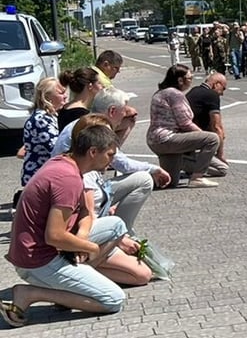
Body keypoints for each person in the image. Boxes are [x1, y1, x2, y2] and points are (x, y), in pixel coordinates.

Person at [2, 120, 150, 327]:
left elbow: (85, 212)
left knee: (117, 224)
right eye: (109, 154)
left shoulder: (65, 163)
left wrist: (80, 239)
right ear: (92, 152)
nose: (112, 160)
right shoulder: (67, 178)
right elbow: (54, 236)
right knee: (113, 299)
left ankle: (76, 278)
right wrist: (90, 247)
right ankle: (31, 293)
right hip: (38, 261)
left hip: (47, 250)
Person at [54, 91, 172, 230]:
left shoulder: (84, 122)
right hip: (80, 191)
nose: (126, 114)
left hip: (77, 185)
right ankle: (120, 230)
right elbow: (122, 164)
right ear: (112, 111)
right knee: (144, 180)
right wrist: (154, 169)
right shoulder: (97, 129)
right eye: (124, 109)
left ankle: (114, 228)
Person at [146, 64, 221, 188]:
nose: (191, 81)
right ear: (180, 80)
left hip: (155, 140)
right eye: (189, 78)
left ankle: (139, 177)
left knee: (169, 182)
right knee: (212, 139)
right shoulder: (175, 94)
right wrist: (202, 136)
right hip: (167, 138)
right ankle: (197, 177)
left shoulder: (161, 92)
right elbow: (185, 123)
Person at [19, 78, 65, 198]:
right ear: (48, 97)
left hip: (47, 174)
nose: (65, 96)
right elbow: (56, 148)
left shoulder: (52, 116)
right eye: (61, 93)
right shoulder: (41, 119)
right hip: (39, 175)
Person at [186, 73, 231, 177]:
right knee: (222, 169)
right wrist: (220, 154)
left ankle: (189, 162)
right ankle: (184, 163)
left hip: (187, 141)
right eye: (223, 88)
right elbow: (217, 127)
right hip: (193, 141)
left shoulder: (193, 91)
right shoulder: (211, 95)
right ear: (216, 84)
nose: (222, 94)